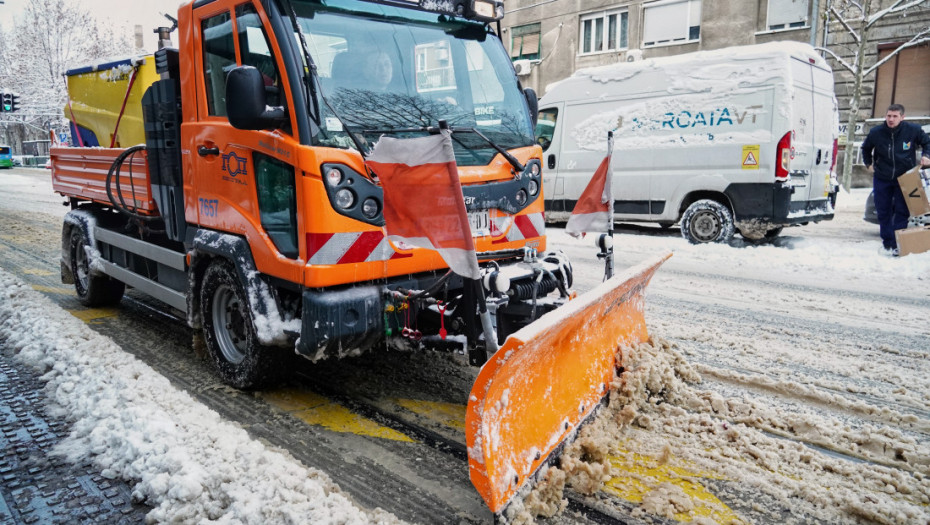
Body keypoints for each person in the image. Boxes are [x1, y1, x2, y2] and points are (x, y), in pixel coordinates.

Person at [860, 104, 930, 255]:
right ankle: (888, 243)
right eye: (889, 116)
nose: (891, 119)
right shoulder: (876, 132)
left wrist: (926, 155)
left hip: (904, 178)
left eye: (895, 116)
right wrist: (868, 164)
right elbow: (865, 148)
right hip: (882, 177)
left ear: (902, 117)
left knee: (901, 211)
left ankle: (899, 244)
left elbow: (927, 142)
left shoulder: (913, 130)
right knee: (883, 211)